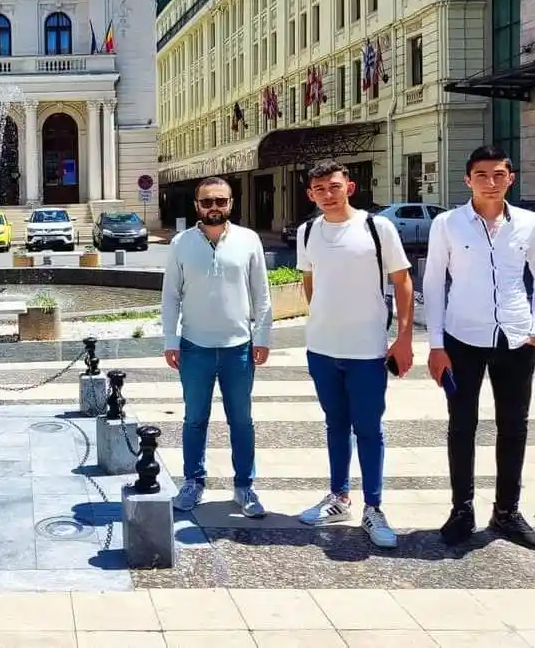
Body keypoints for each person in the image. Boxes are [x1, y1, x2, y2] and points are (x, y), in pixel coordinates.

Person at [296, 159, 414, 549]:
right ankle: (339, 496)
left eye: (333, 186)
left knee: (369, 429)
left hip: (366, 350)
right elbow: (310, 283)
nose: (327, 195)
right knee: (335, 425)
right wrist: (325, 321)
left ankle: (374, 507)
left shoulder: (377, 228)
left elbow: (402, 282)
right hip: (322, 348)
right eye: (319, 190)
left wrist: (403, 337)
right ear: (310, 194)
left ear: (349, 186)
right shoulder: (308, 230)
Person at [424, 145, 535, 547]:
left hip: (516, 340)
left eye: (499, 175)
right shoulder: (448, 225)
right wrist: (436, 346)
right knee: (462, 426)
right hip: (461, 340)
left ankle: (507, 512)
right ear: (468, 180)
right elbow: (434, 284)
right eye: (482, 175)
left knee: (514, 427)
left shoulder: (527, 223)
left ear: (511, 178)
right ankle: (462, 510)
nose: (491, 183)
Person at [162, 177, 273, 517]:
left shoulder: (248, 240)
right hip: (195, 346)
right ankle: (193, 482)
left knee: (241, 420)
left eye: (221, 202)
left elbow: (262, 296)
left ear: (231, 203)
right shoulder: (181, 243)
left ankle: (244, 486)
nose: (214, 208)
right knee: (195, 419)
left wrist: (263, 337)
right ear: (197, 206)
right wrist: (171, 339)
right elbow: (170, 295)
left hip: (238, 347)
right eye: (207, 201)